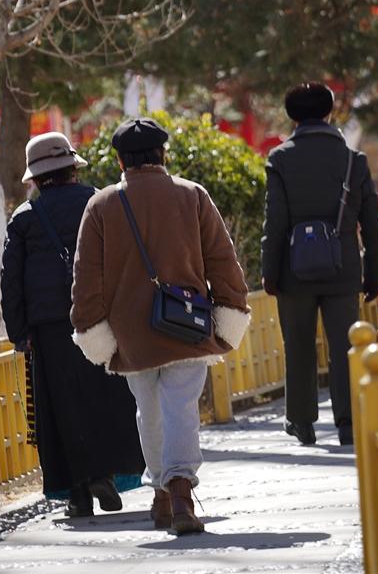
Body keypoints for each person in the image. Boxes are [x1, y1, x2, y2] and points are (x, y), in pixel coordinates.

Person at [70, 117, 250, 535]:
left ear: (120, 160)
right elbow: (223, 262)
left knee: (148, 411)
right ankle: (180, 491)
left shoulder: (101, 206)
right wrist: (231, 311)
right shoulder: (192, 195)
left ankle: (162, 496)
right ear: (163, 154)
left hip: (132, 334)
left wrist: (91, 329)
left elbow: (86, 279)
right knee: (180, 407)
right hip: (187, 324)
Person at [0, 132, 144, 518]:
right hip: (100, 317)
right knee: (106, 397)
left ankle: (77, 494)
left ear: (36, 177)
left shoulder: (24, 218)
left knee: (61, 406)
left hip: (49, 328)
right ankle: (105, 474)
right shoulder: (99, 202)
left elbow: (10, 281)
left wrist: (19, 332)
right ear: (72, 169)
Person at [261, 82, 378, 447]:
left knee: (298, 344)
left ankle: (302, 421)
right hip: (342, 268)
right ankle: (348, 422)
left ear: (292, 116)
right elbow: (371, 224)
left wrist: (269, 272)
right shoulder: (353, 160)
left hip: (293, 269)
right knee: (346, 346)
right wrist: (373, 273)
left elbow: (275, 221)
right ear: (330, 112)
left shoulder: (280, 159)